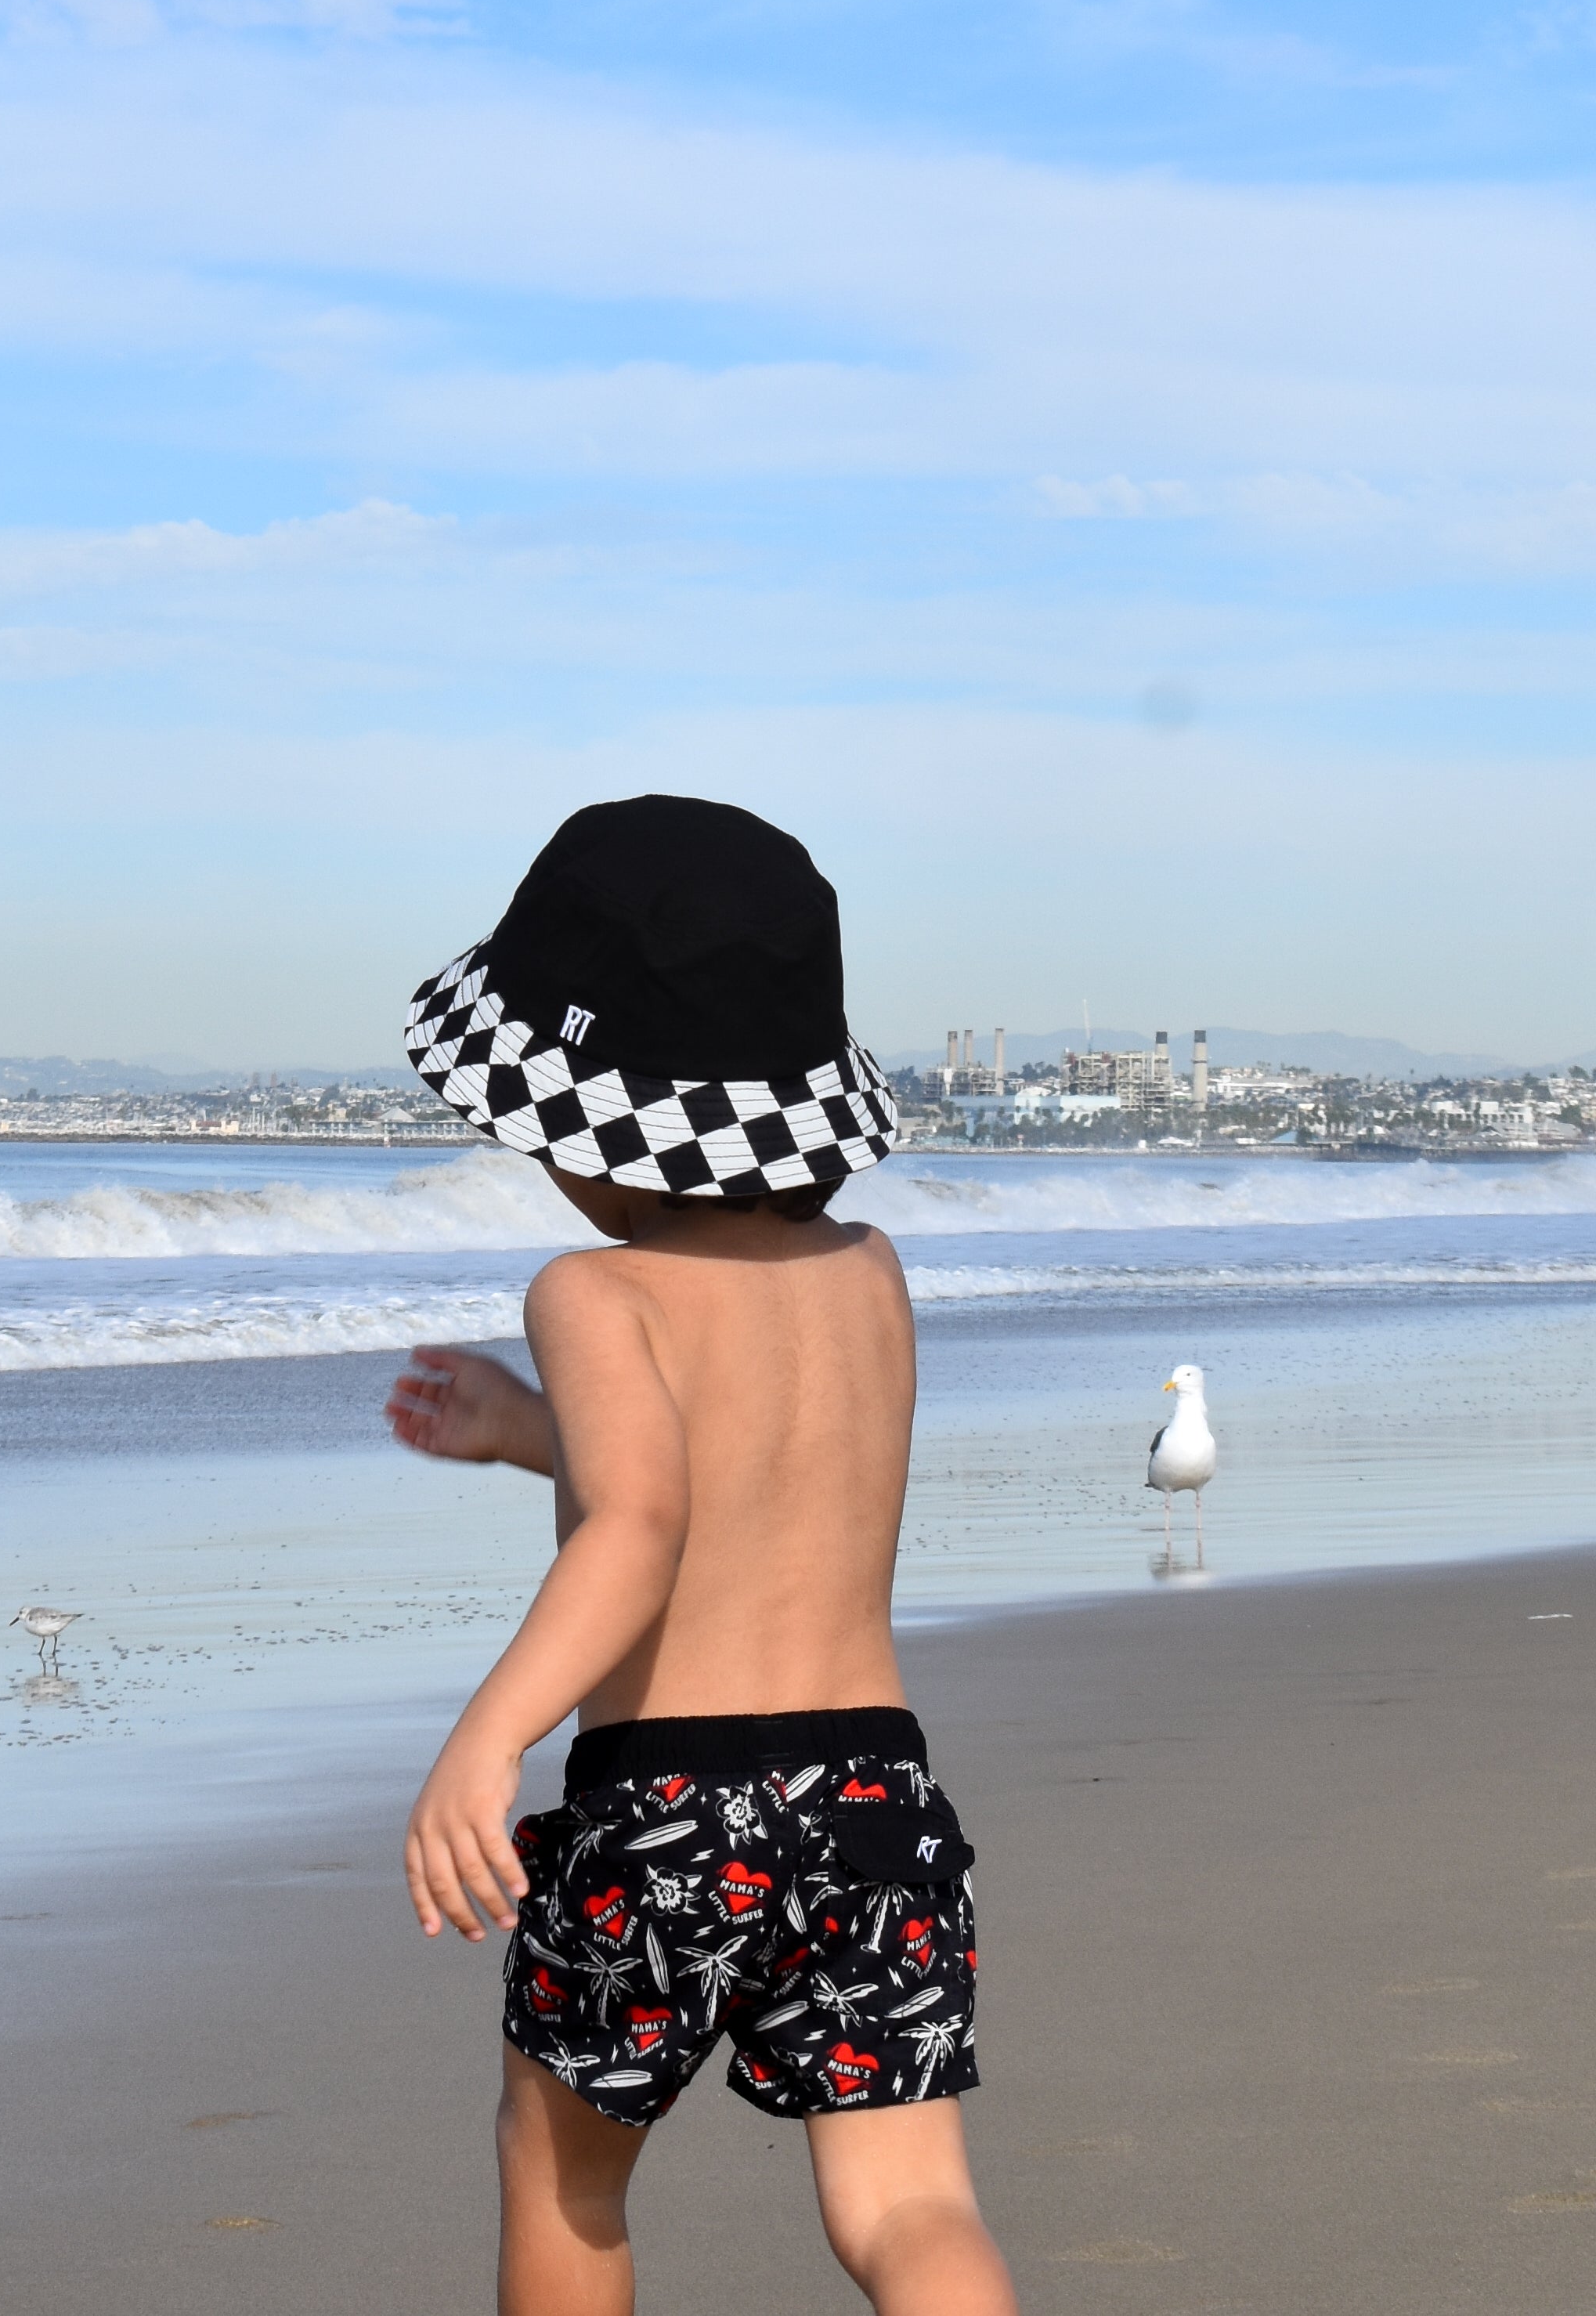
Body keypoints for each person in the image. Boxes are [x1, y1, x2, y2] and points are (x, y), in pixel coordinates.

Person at [381, 797, 1015, 2316]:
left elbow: (646, 1525)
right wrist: (535, 1433)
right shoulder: (873, 1277)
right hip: (872, 1795)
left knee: (564, 2179)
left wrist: (490, 1736)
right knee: (909, 2200)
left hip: (668, 1806)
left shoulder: (595, 1296)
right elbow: (757, 1487)